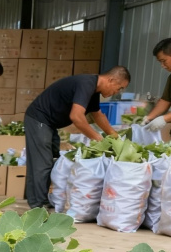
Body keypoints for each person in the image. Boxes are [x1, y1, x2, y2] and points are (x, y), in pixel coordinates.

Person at [24, 66, 129, 209]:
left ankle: (39, 199)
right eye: (119, 88)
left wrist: (115, 137)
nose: (117, 92)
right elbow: (76, 116)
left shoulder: (93, 91)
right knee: (42, 164)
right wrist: (98, 139)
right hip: (39, 119)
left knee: (50, 159)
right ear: (111, 80)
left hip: (49, 123)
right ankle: (38, 204)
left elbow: (98, 115)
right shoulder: (86, 84)